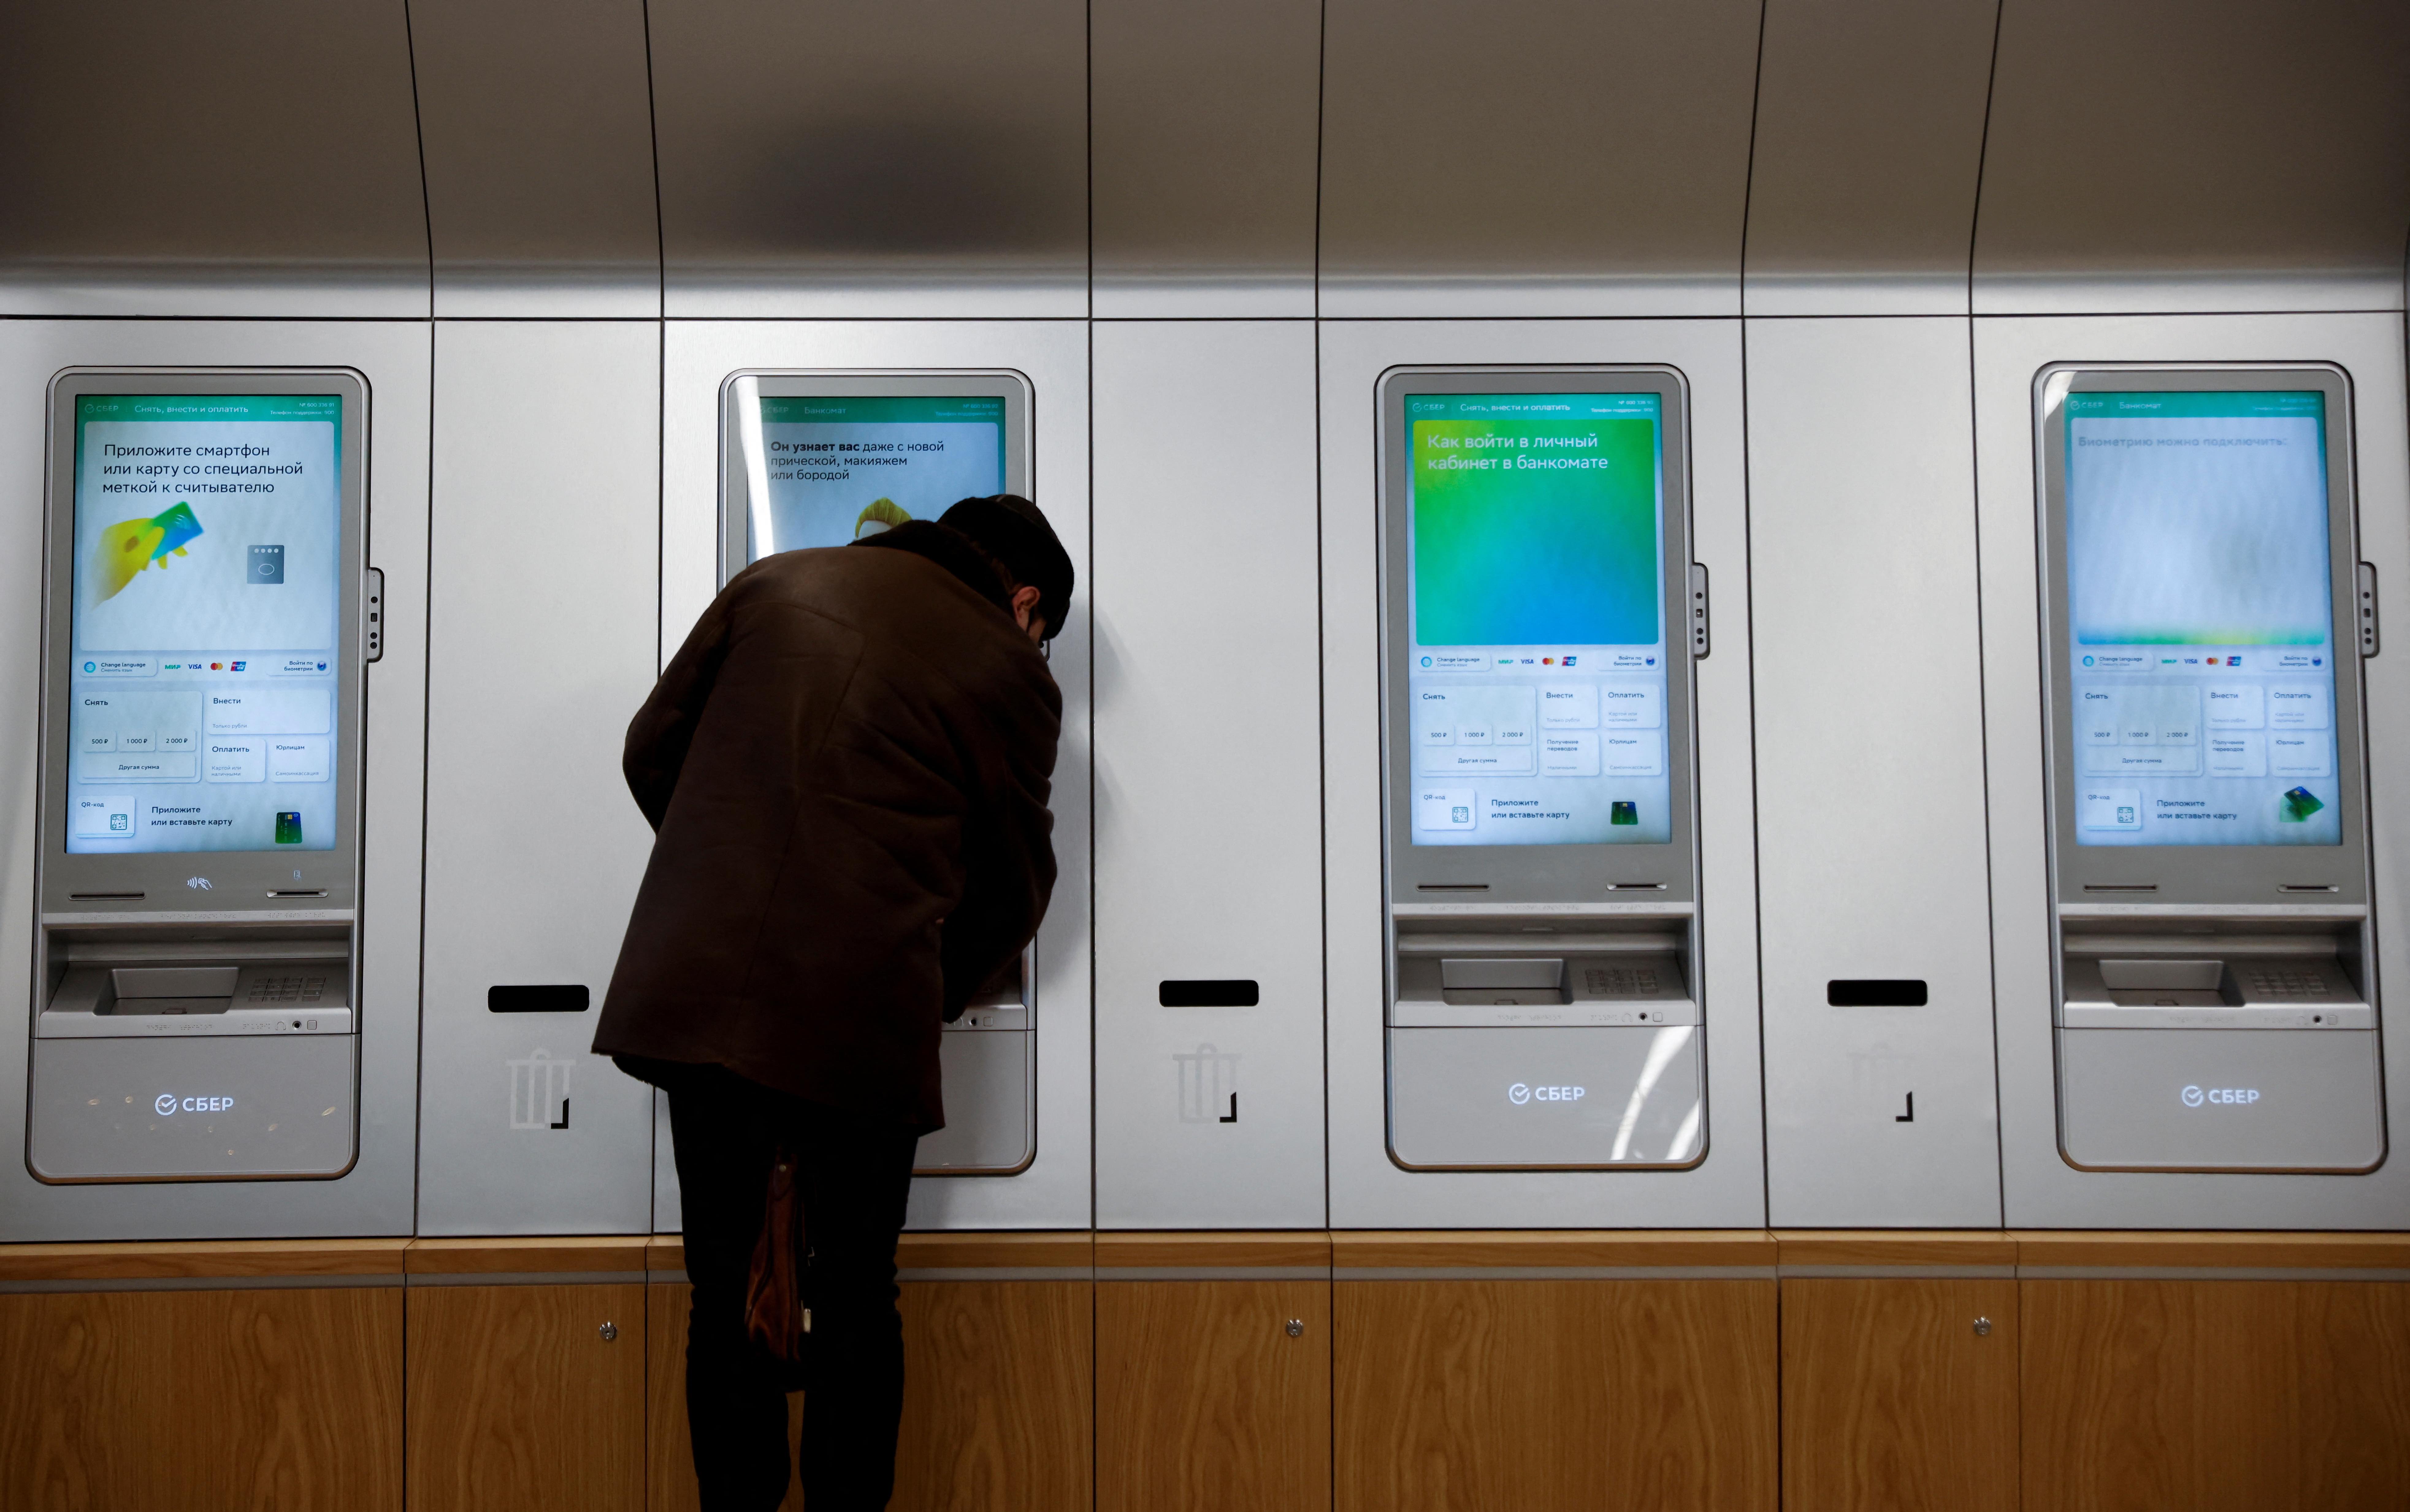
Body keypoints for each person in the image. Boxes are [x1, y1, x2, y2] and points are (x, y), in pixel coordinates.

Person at [593, 495, 1071, 1510]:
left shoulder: (776, 581)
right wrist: (920, 980)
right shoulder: (1002, 665)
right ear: (1025, 602)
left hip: (698, 994)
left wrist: (729, 870)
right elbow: (1016, 887)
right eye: (1044, 636)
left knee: (724, 1289)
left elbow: (650, 749)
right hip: (858, 1017)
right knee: (853, 1293)